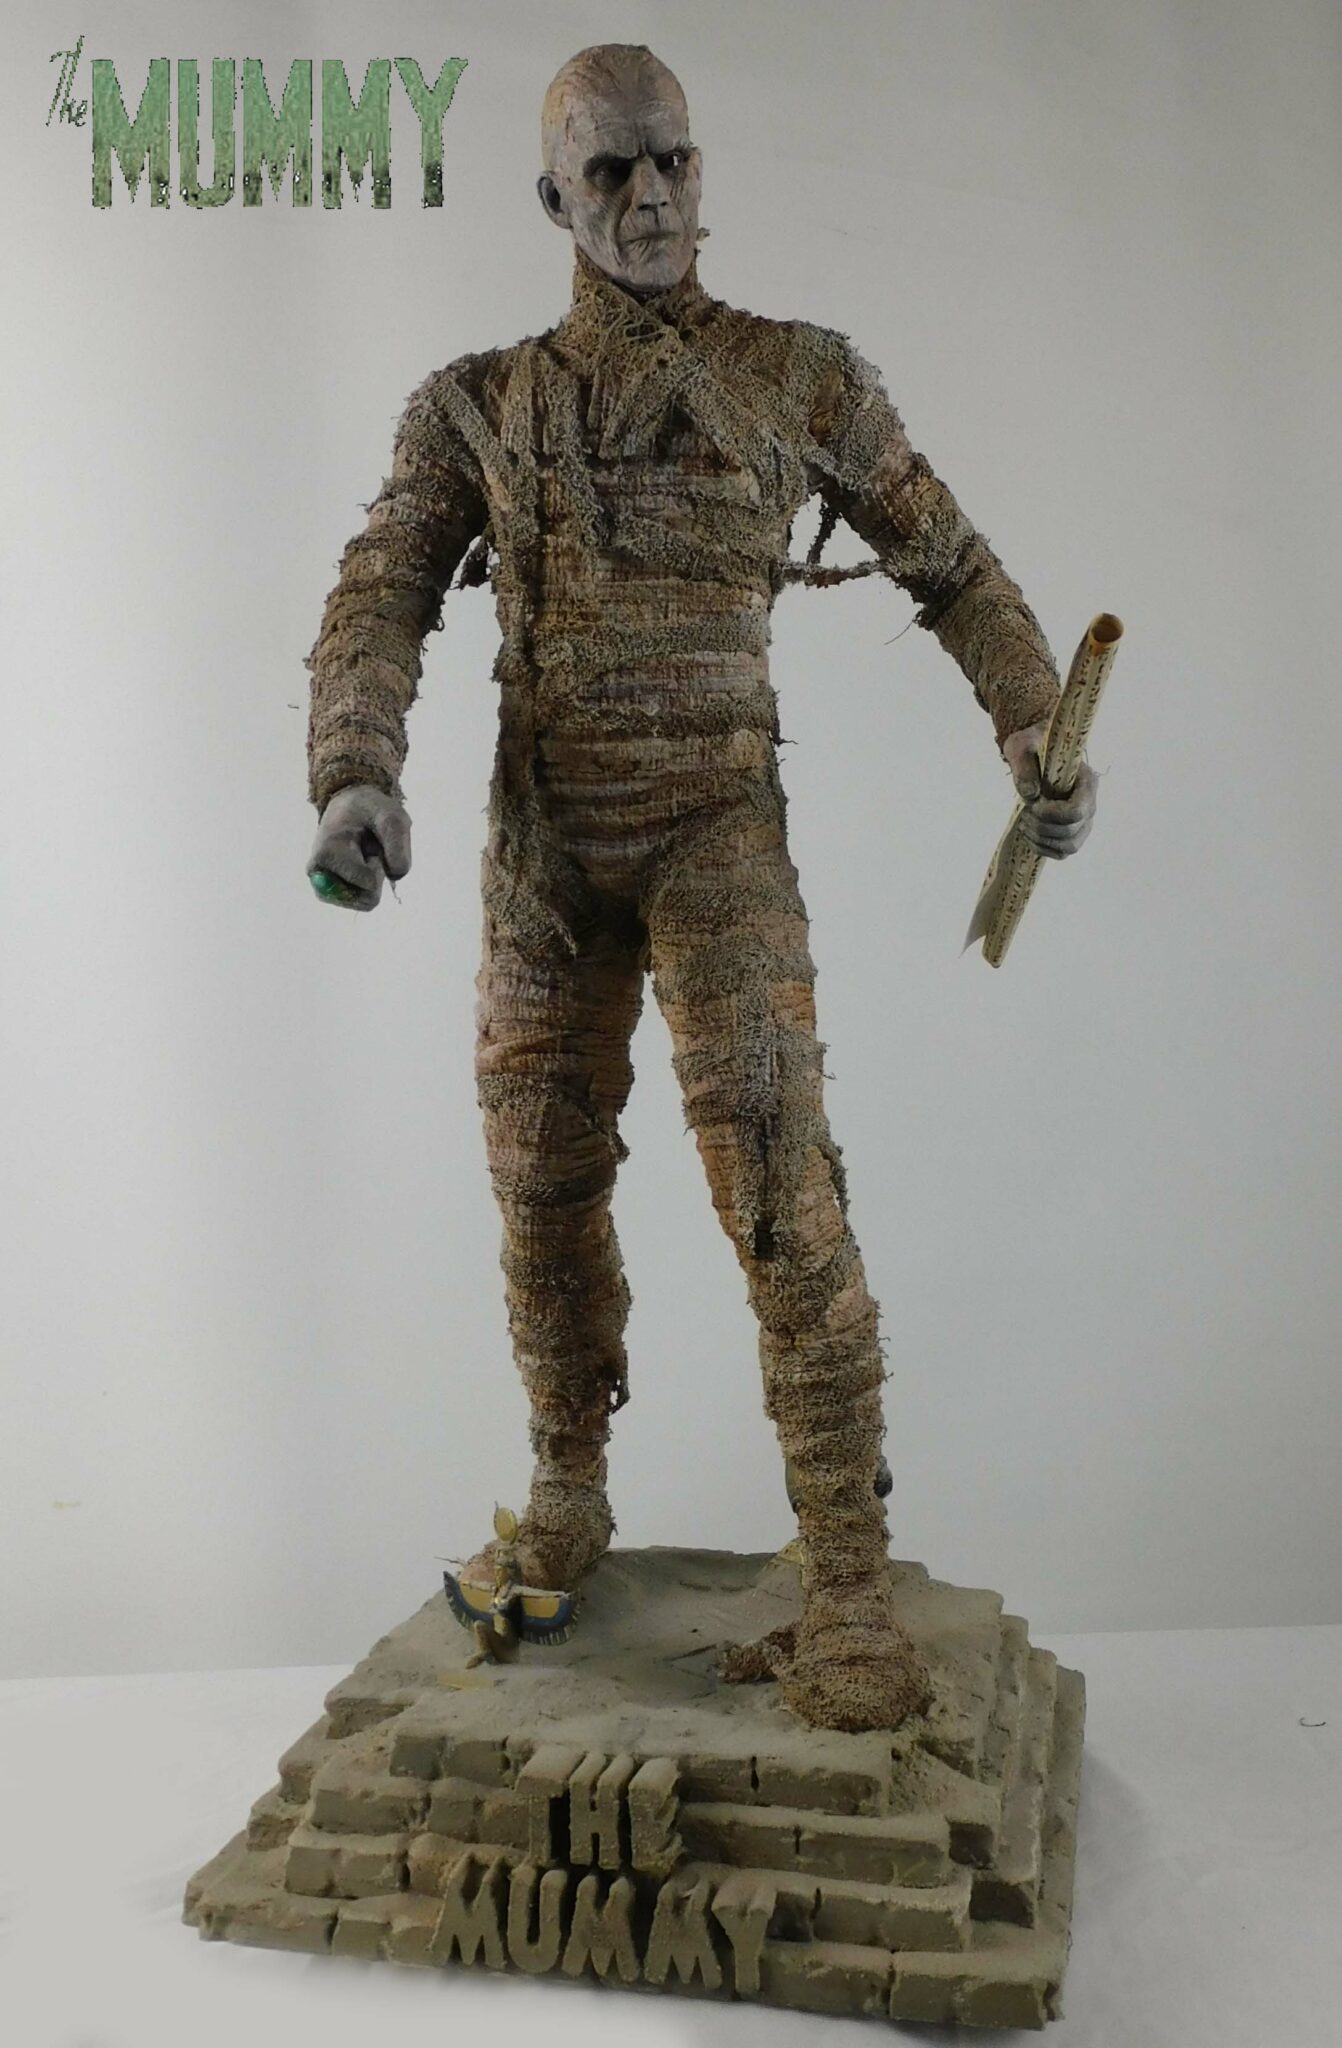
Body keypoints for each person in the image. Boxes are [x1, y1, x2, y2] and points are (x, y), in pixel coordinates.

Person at [304, 43, 1096, 1732]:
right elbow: (382, 587)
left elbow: (954, 568)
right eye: (612, 172)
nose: (652, 196)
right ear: (555, 199)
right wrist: (355, 767)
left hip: (715, 834)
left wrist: (1033, 722)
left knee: (778, 1180)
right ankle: (564, 1492)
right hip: (543, 845)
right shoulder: (475, 405)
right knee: (537, 1180)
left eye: (673, 161)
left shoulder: (796, 379)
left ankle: (850, 1582)